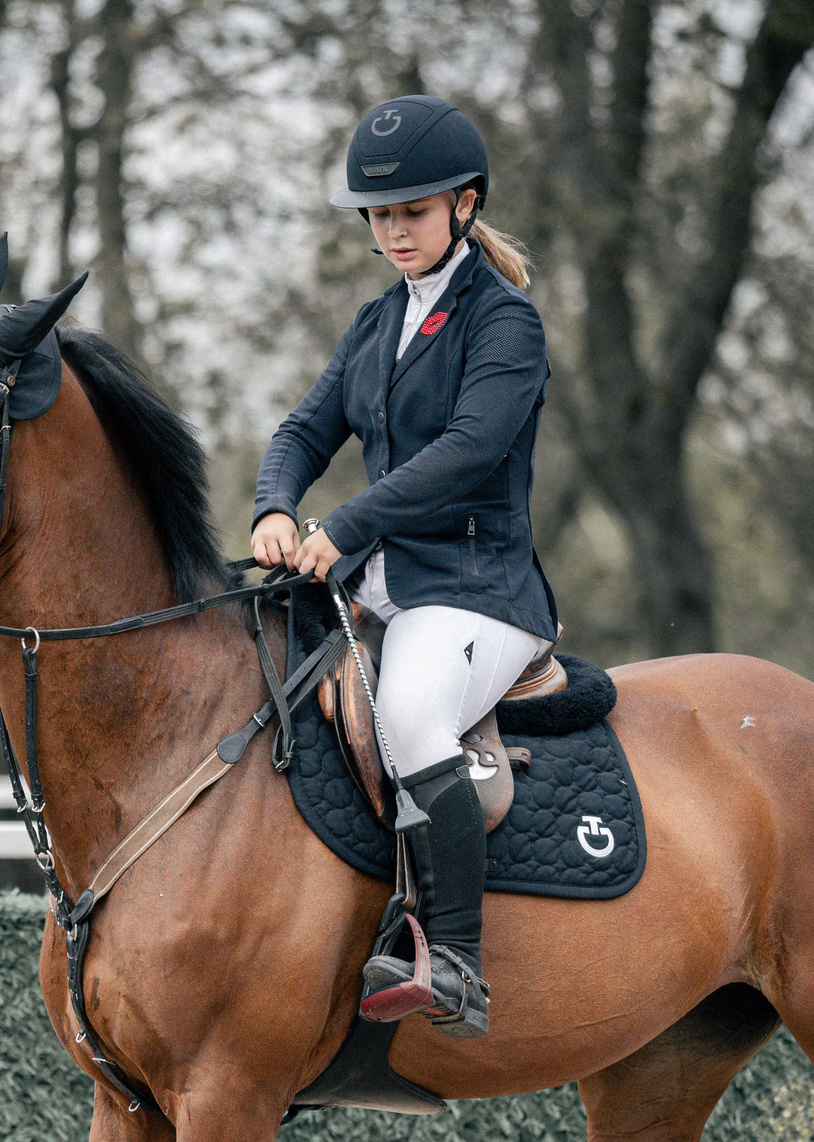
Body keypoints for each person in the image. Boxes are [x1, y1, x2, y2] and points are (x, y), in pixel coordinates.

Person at [252, 94, 555, 1041]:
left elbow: (467, 452)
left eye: (411, 213)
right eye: (379, 216)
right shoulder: (379, 321)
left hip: (478, 589)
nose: (393, 231)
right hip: (382, 576)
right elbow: (306, 428)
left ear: (464, 205)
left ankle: (455, 960)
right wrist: (273, 503)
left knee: (413, 713)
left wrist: (340, 524)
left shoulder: (505, 324)